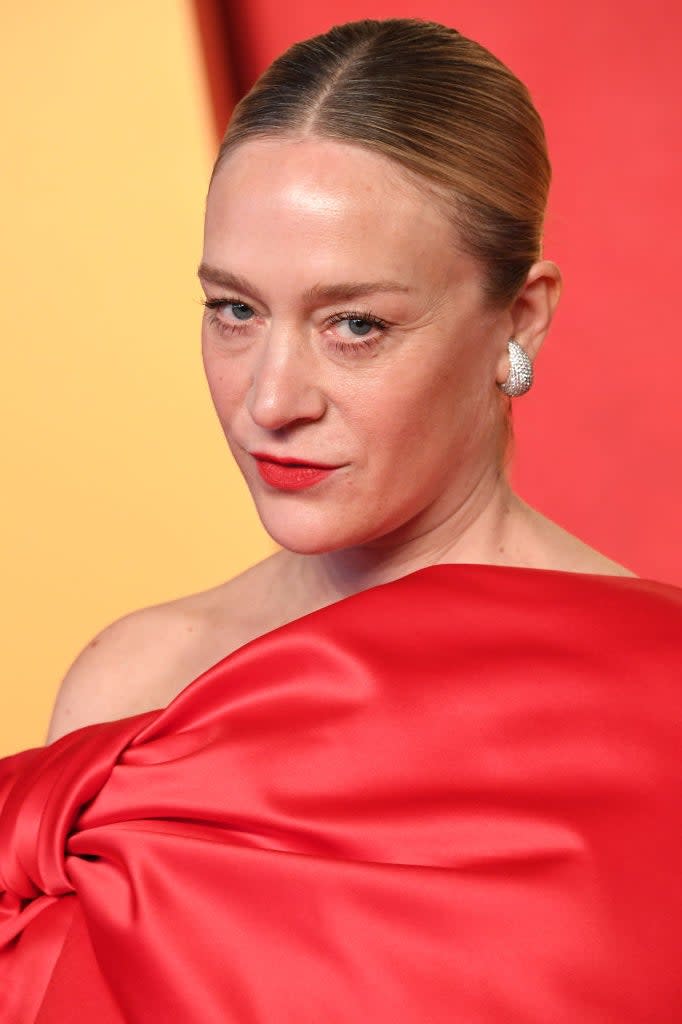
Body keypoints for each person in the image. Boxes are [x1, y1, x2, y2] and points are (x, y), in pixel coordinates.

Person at [1, 17, 680, 1023]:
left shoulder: (658, 704)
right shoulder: (136, 682)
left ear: (520, 317)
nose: (270, 398)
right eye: (233, 309)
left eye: (353, 324)